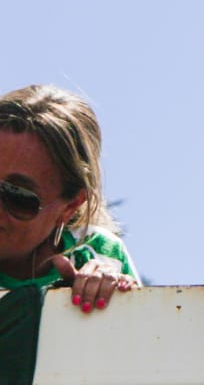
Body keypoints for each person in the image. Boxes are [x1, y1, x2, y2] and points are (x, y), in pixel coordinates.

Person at [0, 85, 139, 311]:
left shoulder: (100, 253)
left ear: (70, 206)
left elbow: (143, 338)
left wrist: (116, 300)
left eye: (18, 195)